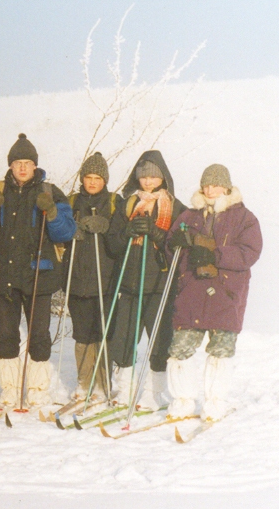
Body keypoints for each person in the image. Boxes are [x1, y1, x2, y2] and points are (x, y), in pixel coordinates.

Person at [0, 134, 76, 408]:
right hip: (4, 274)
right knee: (6, 335)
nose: (22, 167)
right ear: (11, 164)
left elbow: (67, 231)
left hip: (39, 275)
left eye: (27, 162)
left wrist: (51, 211)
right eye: (18, 162)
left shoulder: (50, 192)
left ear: (35, 165)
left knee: (39, 336)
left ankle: (38, 390)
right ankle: (10, 389)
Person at [164, 164, 262, 422]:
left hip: (225, 293)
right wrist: (175, 245)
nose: (209, 190)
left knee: (221, 349)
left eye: (215, 185)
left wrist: (215, 255)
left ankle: (215, 402)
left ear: (226, 187)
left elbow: (249, 253)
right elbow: (170, 249)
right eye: (206, 185)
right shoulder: (189, 216)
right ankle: (183, 401)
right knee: (180, 347)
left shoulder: (244, 218)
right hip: (192, 292)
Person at [104, 150, 186, 411]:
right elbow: (112, 244)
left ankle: (155, 393)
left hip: (159, 286)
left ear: (162, 177)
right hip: (129, 284)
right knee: (124, 338)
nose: (148, 182)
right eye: (143, 177)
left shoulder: (176, 208)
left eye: (153, 176)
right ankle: (124, 390)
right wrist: (126, 231)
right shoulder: (128, 205)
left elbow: (179, 246)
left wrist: (157, 233)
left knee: (159, 341)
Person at [65, 152, 120, 401]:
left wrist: (106, 226)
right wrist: (70, 231)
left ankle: (102, 383)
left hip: (105, 280)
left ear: (105, 180)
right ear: (82, 178)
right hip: (77, 279)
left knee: (103, 331)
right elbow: (56, 228)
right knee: (82, 333)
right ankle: (84, 382)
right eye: (88, 177)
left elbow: (121, 235)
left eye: (98, 177)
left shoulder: (114, 202)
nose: (92, 182)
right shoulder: (71, 201)